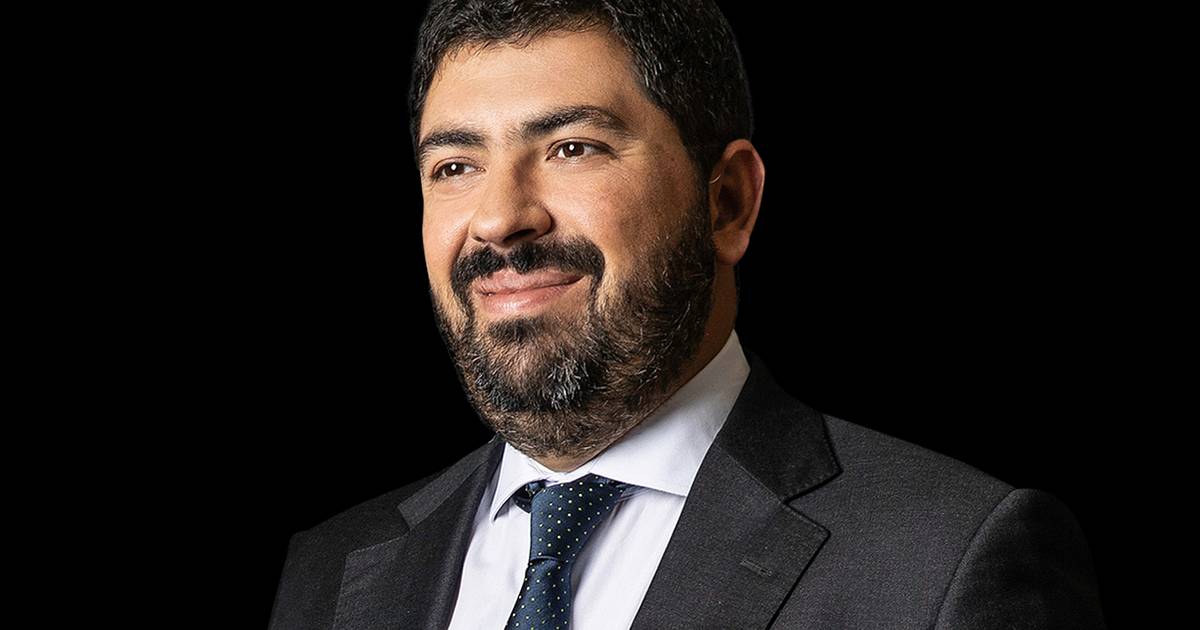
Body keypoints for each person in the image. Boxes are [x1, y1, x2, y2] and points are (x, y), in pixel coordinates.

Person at [268, 1, 1106, 628]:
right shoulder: (330, 571)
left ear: (727, 201)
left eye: (572, 148)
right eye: (454, 165)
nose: (499, 219)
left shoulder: (946, 561)